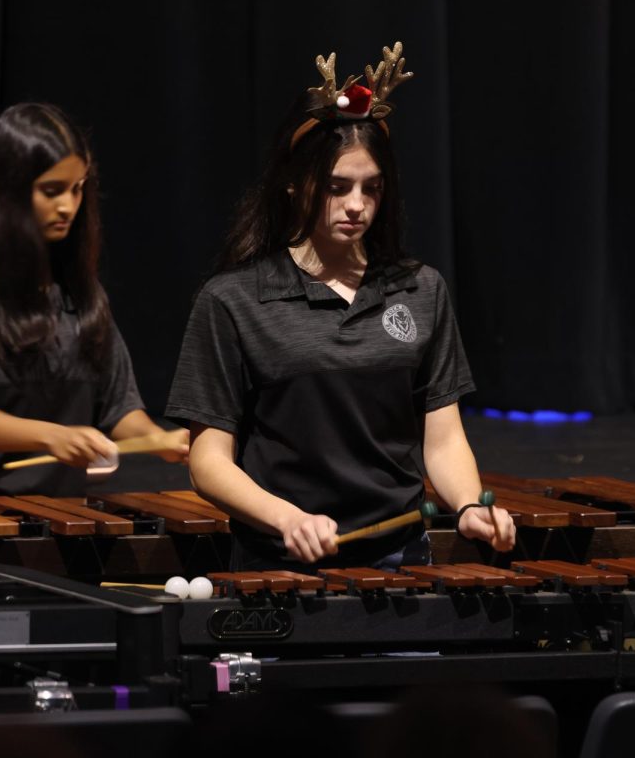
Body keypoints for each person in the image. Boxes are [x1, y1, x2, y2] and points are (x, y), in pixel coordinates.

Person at [166, 43, 515, 569]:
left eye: (372, 189)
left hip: (400, 559)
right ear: (292, 183)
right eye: (336, 187)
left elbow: (440, 440)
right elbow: (208, 463)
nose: (357, 205)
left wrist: (467, 504)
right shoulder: (232, 300)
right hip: (278, 563)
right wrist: (287, 518)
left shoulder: (421, 290)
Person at [0, 103, 187, 502]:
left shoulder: (83, 295)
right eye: (51, 191)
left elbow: (117, 407)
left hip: (48, 509)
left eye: (77, 188)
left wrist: (159, 439)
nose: (68, 206)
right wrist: (52, 435)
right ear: (9, 191)